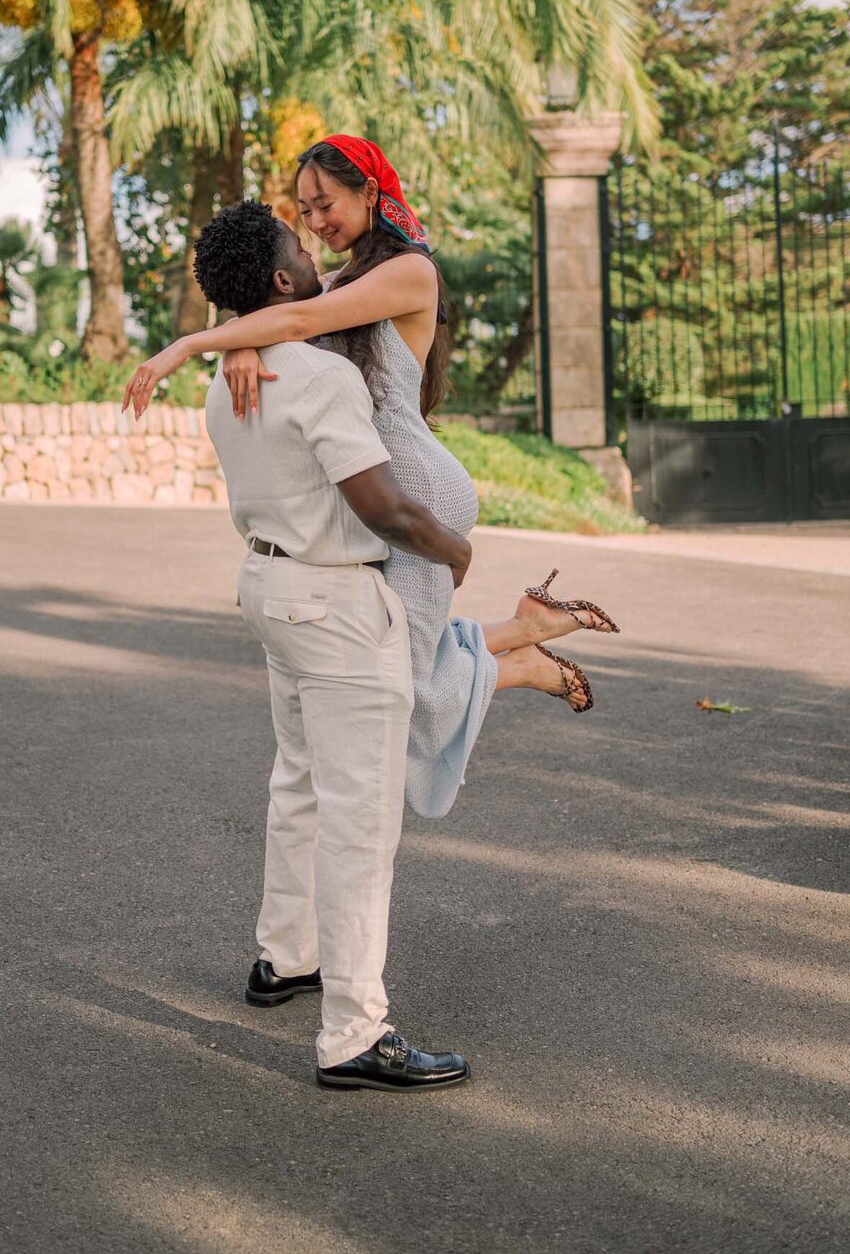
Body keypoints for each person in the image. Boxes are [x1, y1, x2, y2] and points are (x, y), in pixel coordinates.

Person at [124, 137, 619, 819]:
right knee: (395, 659)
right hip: (375, 495)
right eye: (304, 210)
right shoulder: (338, 281)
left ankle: (527, 665)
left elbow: (296, 317)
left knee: (407, 686)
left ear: (370, 193)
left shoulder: (410, 272)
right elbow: (282, 309)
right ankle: (525, 626)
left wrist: (191, 343)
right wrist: (244, 337)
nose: (316, 222)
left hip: (417, 493)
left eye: (325, 204)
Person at [194, 201, 472, 1091]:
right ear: (283, 280)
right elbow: (380, 505)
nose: (314, 248)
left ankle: (285, 957)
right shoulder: (320, 377)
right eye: (298, 243)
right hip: (336, 604)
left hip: (270, 587)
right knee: (360, 823)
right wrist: (452, 549)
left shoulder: (228, 378)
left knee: (301, 782)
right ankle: (354, 1033)